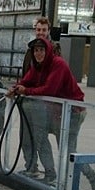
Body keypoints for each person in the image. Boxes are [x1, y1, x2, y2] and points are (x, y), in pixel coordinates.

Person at [7, 38, 95, 190]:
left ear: (48, 51)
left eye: (41, 50)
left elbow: (49, 90)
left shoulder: (58, 64)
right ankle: (52, 176)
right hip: (56, 112)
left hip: (73, 113)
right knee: (44, 141)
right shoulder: (38, 66)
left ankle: (87, 179)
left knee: (68, 150)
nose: (38, 53)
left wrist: (26, 91)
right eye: (36, 50)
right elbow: (26, 80)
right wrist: (15, 88)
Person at [18, 16, 60, 177]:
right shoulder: (32, 50)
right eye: (38, 30)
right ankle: (31, 166)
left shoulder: (54, 51)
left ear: (48, 31)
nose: (41, 33)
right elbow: (28, 74)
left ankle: (50, 171)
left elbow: (50, 82)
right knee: (25, 136)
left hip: (43, 102)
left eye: (44, 30)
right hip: (28, 100)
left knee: (40, 137)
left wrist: (29, 90)